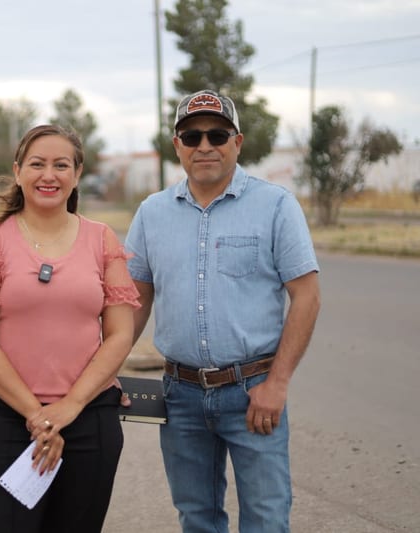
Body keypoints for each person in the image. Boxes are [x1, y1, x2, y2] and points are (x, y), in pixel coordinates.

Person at [125, 90, 321, 533]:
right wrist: (102, 368)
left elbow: (307, 296)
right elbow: (134, 301)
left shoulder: (276, 205)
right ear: (177, 146)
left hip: (254, 393)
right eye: (191, 136)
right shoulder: (151, 213)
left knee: (267, 520)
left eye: (217, 134)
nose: (205, 146)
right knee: (197, 519)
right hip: (179, 395)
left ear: (238, 141)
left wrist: (278, 383)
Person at [0, 124, 140, 532]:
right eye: (37, 164)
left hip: (88, 418)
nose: (48, 175)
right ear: (18, 171)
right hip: (6, 420)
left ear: (77, 173)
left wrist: (69, 407)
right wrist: (38, 416)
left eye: (61, 165)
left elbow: (120, 334)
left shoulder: (102, 238)